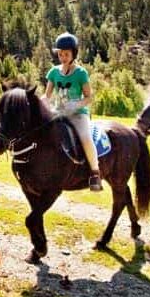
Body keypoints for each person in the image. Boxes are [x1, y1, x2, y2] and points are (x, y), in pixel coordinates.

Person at [45, 32, 102, 191]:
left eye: (66, 54)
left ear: (73, 54)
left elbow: (89, 97)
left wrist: (75, 105)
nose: (62, 57)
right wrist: (40, 104)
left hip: (78, 114)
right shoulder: (54, 72)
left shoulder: (81, 73)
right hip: (59, 113)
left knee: (85, 137)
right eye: (60, 54)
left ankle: (95, 173)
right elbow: (47, 95)